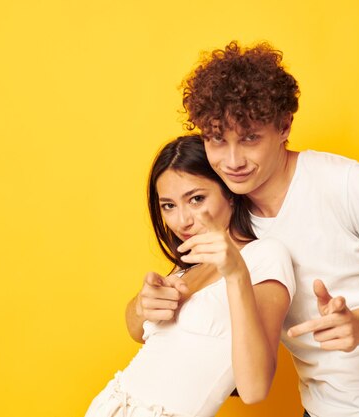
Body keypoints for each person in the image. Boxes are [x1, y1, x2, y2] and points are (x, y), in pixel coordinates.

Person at [130, 42, 359, 417]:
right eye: (217, 140)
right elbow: (161, 310)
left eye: (249, 138)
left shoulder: (344, 184)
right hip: (327, 408)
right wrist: (143, 305)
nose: (232, 161)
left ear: (284, 126)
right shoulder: (227, 213)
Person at [88, 135, 295, 417]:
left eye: (196, 199)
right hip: (109, 406)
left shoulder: (264, 256)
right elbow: (136, 331)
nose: (182, 221)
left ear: (230, 194)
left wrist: (235, 274)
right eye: (168, 206)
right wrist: (142, 304)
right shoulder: (189, 264)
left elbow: (254, 389)